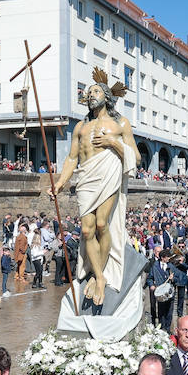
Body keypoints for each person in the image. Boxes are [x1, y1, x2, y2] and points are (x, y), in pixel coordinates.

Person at [51, 70, 137, 308]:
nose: (90, 95)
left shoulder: (120, 124)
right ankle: (99, 275)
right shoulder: (81, 127)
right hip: (86, 179)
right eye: (88, 93)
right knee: (87, 231)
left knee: (101, 224)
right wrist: (59, 183)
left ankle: (100, 277)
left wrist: (113, 143)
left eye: (95, 91)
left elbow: (136, 157)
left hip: (109, 175)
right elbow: (71, 159)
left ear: (107, 96)